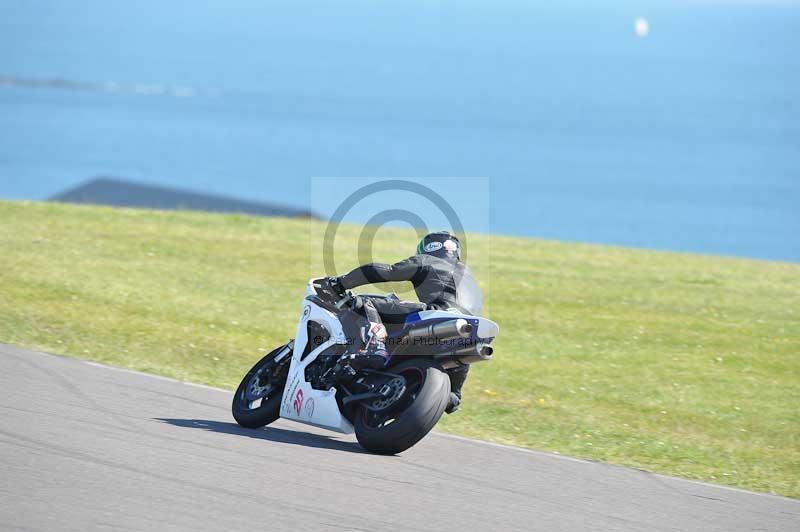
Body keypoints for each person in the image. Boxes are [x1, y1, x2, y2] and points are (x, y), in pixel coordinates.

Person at [329, 231, 483, 414]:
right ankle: (453, 394)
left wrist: (341, 282)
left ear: (429, 247)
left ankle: (375, 347)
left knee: (363, 303)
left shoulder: (427, 260)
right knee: (463, 350)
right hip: (469, 329)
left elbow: (387, 272)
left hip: (437, 314)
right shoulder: (468, 274)